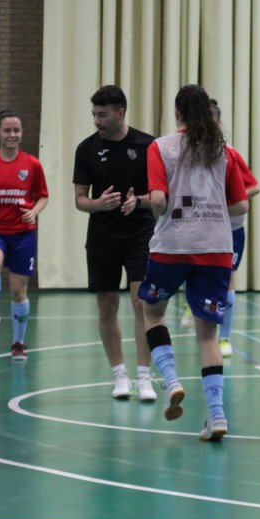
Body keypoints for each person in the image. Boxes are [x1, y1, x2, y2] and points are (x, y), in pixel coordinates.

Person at [138, 84, 249, 442]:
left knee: (152, 313)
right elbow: (242, 206)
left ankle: (171, 380)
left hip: (173, 245)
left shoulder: (162, 146)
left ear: (177, 114)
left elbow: (158, 198)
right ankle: (216, 414)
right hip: (216, 248)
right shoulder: (225, 152)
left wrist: (158, 206)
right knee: (208, 335)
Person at [73, 85, 157, 402]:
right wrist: (99, 204)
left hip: (140, 234)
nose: (97, 121)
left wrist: (140, 201)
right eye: (94, 114)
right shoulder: (86, 149)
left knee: (142, 304)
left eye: (102, 115)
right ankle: (119, 374)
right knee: (107, 306)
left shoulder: (148, 146)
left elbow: (162, 197)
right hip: (102, 236)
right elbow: (80, 200)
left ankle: (144, 376)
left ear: (120, 112)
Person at [0, 111, 48, 360]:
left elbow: (43, 195)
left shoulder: (32, 164)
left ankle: (18, 342)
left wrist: (34, 211)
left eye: (17, 130)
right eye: (7, 130)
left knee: (18, 291)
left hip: (23, 234)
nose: (13, 135)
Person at [209, 99, 260, 358]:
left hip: (231, 227)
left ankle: (225, 338)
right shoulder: (185, 152)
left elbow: (254, 187)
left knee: (227, 278)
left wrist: (225, 203)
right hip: (202, 225)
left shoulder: (229, 153)